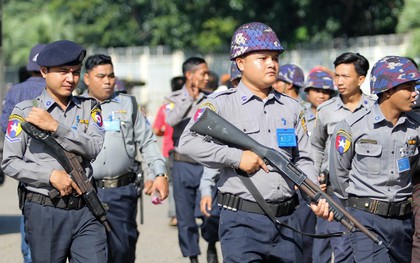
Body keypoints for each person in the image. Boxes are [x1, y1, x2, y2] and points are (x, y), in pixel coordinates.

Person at [178, 22, 332, 263]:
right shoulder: (221, 104)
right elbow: (187, 143)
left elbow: (304, 158)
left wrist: (313, 194)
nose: (272, 63)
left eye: (275, 58)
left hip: (287, 221)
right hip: (242, 221)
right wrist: (237, 158)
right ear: (240, 62)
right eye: (263, 57)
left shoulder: (292, 107)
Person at [1, 40, 107, 263]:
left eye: (75, 72)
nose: (71, 79)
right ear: (44, 72)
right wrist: (49, 176)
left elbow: (94, 147)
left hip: (86, 208)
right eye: (63, 72)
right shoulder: (25, 111)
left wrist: (56, 127)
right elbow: (9, 161)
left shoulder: (90, 107)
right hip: (44, 211)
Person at [329, 55, 420, 262]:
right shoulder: (352, 127)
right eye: (408, 88)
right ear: (388, 90)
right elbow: (339, 176)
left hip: (403, 222)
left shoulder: (416, 126)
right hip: (365, 220)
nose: (414, 94)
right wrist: (357, 207)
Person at [83, 54, 168, 263]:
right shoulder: (76, 106)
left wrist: (158, 173)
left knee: (122, 250)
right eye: (100, 76)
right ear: (87, 78)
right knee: (90, 253)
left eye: (111, 76)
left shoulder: (128, 104)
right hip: (85, 193)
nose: (107, 81)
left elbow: (147, 141)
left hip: (121, 192)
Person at [310, 52, 376, 263]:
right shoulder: (326, 111)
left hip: (368, 192)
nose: (339, 81)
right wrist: (315, 177)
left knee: (368, 246)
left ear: (361, 79)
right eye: (337, 75)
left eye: (345, 76)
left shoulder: (375, 109)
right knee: (342, 248)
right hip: (335, 193)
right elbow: (317, 146)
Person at [165, 57, 220, 263]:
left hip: (207, 164)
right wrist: (190, 98)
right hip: (183, 164)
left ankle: (212, 243)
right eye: (202, 73)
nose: (207, 77)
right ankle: (193, 257)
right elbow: (171, 120)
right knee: (185, 217)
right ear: (189, 75)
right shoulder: (173, 99)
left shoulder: (212, 98)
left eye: (207, 73)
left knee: (210, 213)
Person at [0, 43, 46, 263]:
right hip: (53, 166)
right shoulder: (54, 90)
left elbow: (5, 124)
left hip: (25, 163)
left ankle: (29, 257)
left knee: (28, 206)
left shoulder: (15, 91)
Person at [153, 76, 184, 227]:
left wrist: (165, 133)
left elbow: (156, 129)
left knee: (171, 184)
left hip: (168, 151)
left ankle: (174, 216)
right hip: (187, 153)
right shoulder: (189, 105)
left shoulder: (165, 107)